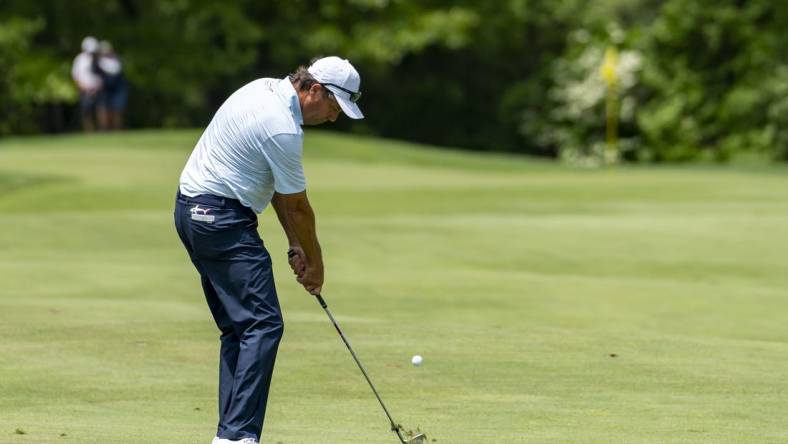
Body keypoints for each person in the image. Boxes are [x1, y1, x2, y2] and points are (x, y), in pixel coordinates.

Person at [173, 56, 364, 444]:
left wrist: (295, 243)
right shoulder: (282, 128)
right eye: (334, 106)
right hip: (221, 218)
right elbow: (298, 206)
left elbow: (277, 186)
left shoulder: (262, 89)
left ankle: (229, 435)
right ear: (314, 90)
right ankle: (238, 436)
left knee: (240, 329)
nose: (334, 117)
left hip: (192, 211)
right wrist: (316, 264)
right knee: (263, 325)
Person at [94, 40, 128, 130]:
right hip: (104, 90)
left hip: (117, 89)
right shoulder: (98, 63)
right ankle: (104, 129)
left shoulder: (117, 60)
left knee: (117, 110)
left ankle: (116, 128)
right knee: (103, 110)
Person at [71, 36, 102, 132]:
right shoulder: (80, 59)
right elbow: (76, 76)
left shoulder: (98, 59)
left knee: (100, 110)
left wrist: (97, 87)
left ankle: (102, 130)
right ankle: (89, 131)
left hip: (98, 89)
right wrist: (84, 88)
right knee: (87, 111)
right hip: (85, 90)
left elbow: (101, 76)